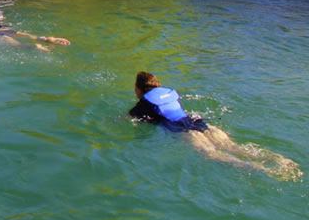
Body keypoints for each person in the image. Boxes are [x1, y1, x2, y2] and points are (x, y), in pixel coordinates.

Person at [129, 71, 302, 181]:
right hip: (199, 122)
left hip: (184, 130)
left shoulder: (144, 104)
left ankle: (261, 169)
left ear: (138, 89)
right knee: (233, 147)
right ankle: (278, 159)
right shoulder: (168, 92)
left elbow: (130, 119)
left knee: (212, 154)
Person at [0, 0, 71, 50]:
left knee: (18, 46)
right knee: (15, 32)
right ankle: (43, 38)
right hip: (1, 28)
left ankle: (35, 47)